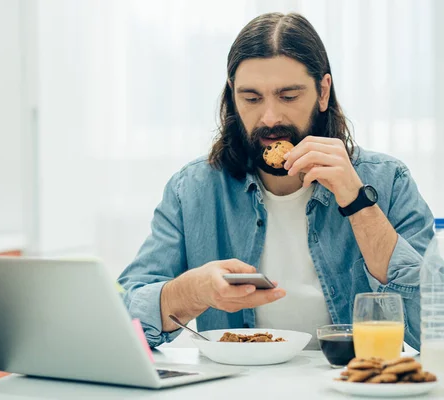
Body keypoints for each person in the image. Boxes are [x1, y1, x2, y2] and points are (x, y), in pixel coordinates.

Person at [117, 12, 434, 351]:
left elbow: (430, 324)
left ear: (323, 92)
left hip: (350, 382)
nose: (269, 118)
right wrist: (191, 291)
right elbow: (121, 317)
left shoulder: (388, 181)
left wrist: (357, 203)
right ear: (233, 98)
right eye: (251, 99)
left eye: (288, 96)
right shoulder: (192, 190)